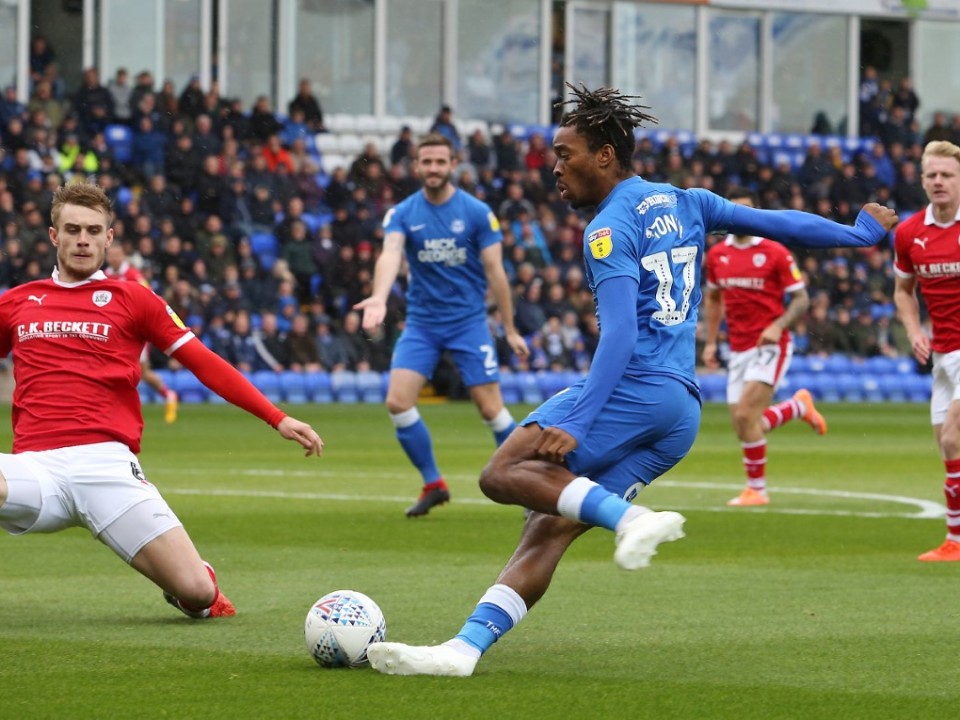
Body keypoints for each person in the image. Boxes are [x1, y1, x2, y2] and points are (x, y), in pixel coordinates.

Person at [365, 84, 897, 677]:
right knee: (550, 525)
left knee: (502, 472)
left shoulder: (608, 230)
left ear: (605, 156)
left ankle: (633, 520)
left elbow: (618, 335)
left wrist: (580, 420)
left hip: (636, 388)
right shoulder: (687, 201)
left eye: (564, 155)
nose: (554, 168)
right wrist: (858, 234)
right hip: (679, 412)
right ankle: (462, 652)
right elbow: (777, 223)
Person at [0, 182, 324, 620]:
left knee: (198, 593)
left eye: (93, 231)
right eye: (72, 230)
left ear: (109, 238)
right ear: (54, 235)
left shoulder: (135, 299)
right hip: (36, 470)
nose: (83, 240)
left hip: (108, 467)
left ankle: (195, 581)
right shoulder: (17, 302)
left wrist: (276, 417)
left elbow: (204, 362)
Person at [355, 133, 529, 517]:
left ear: (453, 165)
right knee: (398, 402)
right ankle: (433, 484)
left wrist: (511, 328)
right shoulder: (402, 213)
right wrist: (379, 295)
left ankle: (530, 486)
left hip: (468, 323)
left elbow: (496, 272)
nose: (433, 168)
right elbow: (390, 253)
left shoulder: (477, 213)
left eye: (440, 162)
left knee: (491, 410)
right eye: (427, 162)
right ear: (416, 166)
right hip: (422, 325)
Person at [701, 188, 826, 507]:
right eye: (735, 211)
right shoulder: (717, 255)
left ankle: (757, 490)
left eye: (747, 211)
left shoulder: (775, 251)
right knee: (743, 423)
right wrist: (711, 342)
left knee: (746, 414)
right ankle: (797, 407)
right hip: (738, 347)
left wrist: (778, 325)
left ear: (755, 214)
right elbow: (713, 300)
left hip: (771, 344)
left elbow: (801, 300)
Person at [893, 140, 960, 562]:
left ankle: (955, 541)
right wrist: (914, 329)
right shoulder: (909, 233)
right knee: (948, 450)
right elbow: (903, 290)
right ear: (921, 180)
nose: (939, 181)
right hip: (942, 354)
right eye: (932, 175)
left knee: (953, 439)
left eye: (947, 175)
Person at [103, 243, 180, 422]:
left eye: (117, 254)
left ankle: (167, 395)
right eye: (111, 255)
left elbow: (148, 296)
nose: (114, 258)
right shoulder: (105, 275)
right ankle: (166, 395)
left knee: (140, 371)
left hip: (134, 331)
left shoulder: (133, 275)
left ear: (123, 256)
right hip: (114, 331)